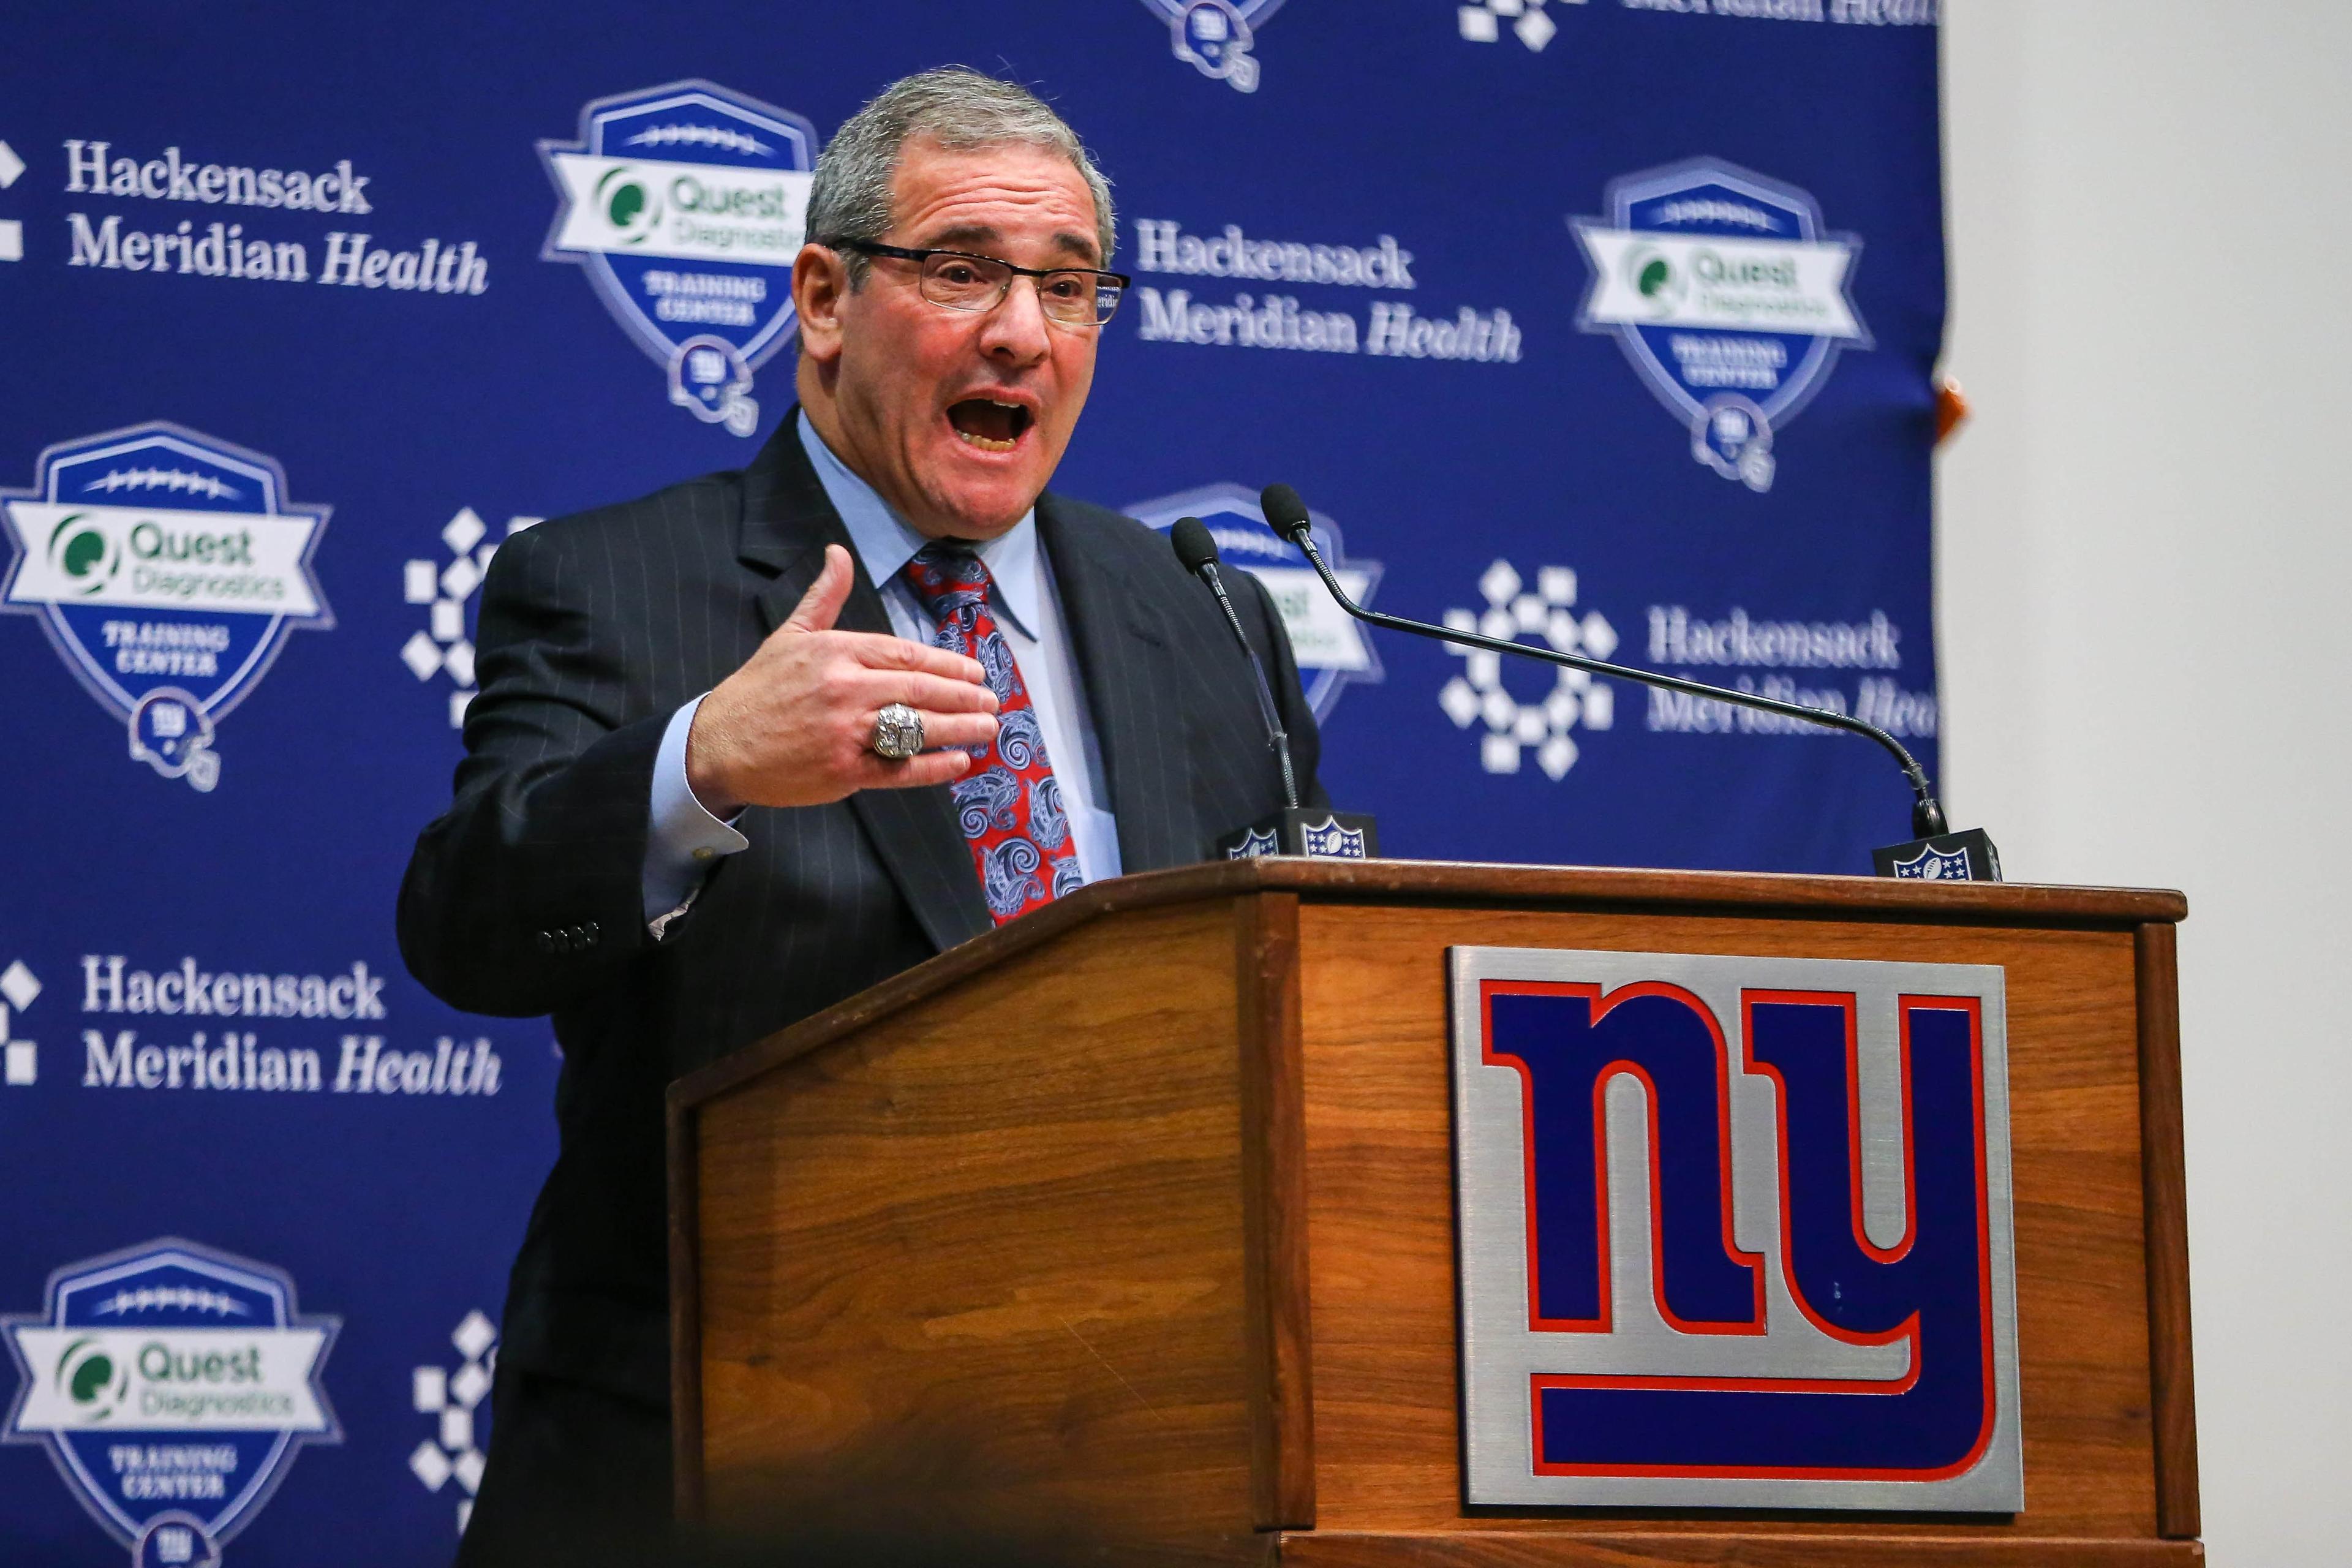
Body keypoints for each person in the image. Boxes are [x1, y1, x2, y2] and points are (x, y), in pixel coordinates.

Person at [397, 67, 1322, 1559]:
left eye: (1069, 286)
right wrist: (703, 759)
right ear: (822, 297)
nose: (1019, 330)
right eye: (962, 271)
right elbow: (466, 929)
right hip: (730, 1461)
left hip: (1139, 1448)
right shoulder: (614, 581)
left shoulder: (1203, 609)